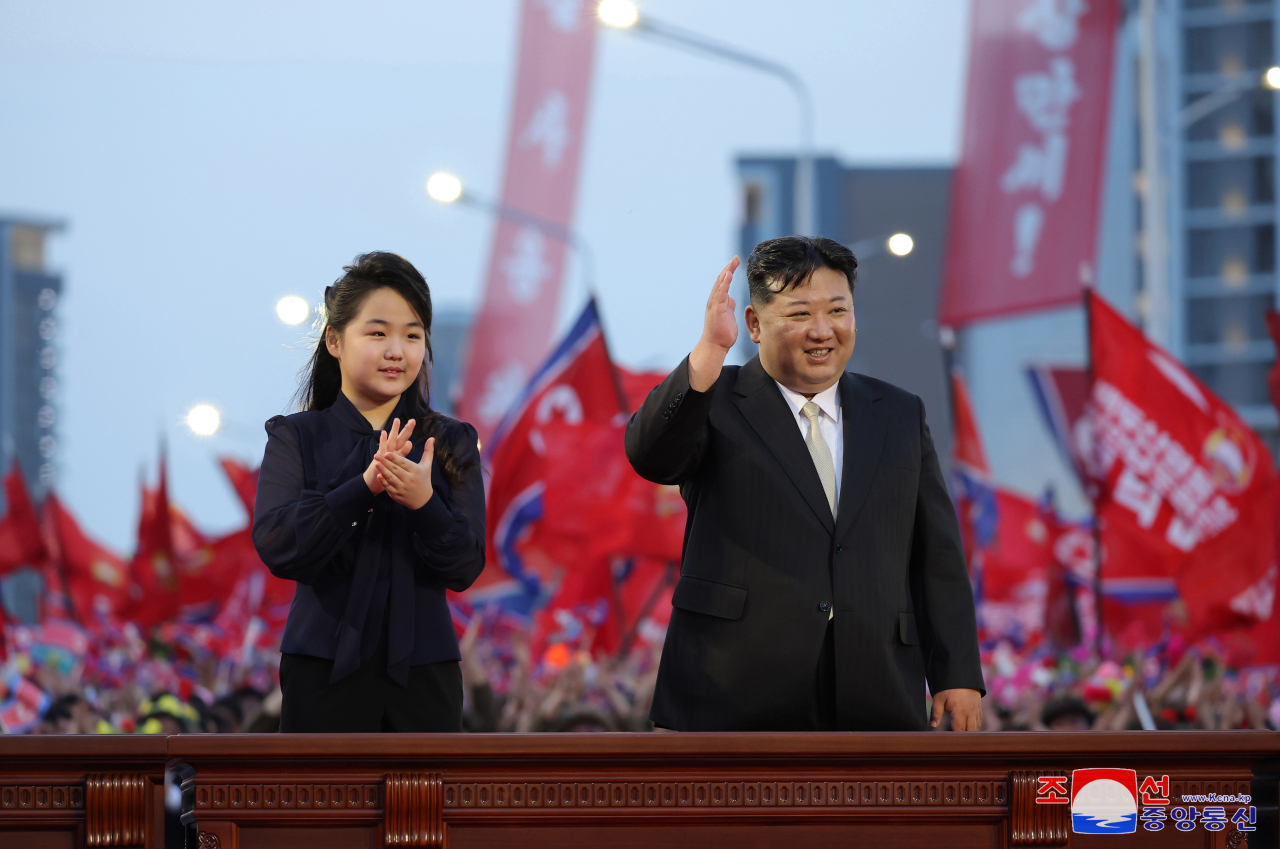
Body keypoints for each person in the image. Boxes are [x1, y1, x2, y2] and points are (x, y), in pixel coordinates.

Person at [625, 236, 984, 731]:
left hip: (874, 689)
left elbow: (936, 554)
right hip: (733, 690)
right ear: (754, 323)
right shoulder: (716, 401)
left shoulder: (899, 413)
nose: (822, 331)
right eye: (798, 315)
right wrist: (710, 351)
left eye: (838, 311)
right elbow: (652, 457)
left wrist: (957, 672)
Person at [253, 251, 485, 732]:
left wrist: (424, 504)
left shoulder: (452, 440)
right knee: (320, 807)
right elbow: (278, 545)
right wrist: (362, 488)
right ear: (335, 340)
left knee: (421, 806)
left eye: (412, 335)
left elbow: (465, 565)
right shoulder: (296, 437)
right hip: (321, 667)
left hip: (425, 672)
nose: (396, 350)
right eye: (377, 333)